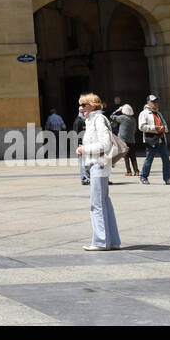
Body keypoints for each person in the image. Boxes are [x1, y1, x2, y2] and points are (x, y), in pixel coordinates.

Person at [77, 93, 121, 251]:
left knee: (96, 204)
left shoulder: (98, 119)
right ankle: (113, 241)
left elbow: (105, 144)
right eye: (80, 105)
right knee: (104, 203)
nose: (81, 108)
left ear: (94, 105)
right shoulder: (91, 120)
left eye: (84, 105)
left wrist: (84, 149)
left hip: (99, 164)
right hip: (98, 164)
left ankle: (101, 241)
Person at [137, 95, 170, 185]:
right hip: (151, 140)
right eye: (153, 102)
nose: (155, 103)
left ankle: (168, 178)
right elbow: (141, 127)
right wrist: (155, 128)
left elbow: (165, 126)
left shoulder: (159, 113)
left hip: (161, 139)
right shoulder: (144, 113)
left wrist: (164, 128)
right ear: (148, 103)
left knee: (166, 160)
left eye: (156, 102)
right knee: (149, 159)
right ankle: (143, 176)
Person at [109, 103, 139, 177]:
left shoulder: (122, 118)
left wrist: (117, 110)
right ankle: (137, 171)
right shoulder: (133, 119)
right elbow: (135, 130)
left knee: (126, 157)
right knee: (133, 157)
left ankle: (129, 172)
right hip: (132, 140)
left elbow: (112, 116)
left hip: (123, 140)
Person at [72, 105, 89, 185]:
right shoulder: (78, 121)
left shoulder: (85, 120)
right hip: (81, 144)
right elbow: (76, 134)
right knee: (83, 163)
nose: (84, 113)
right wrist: (79, 143)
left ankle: (86, 177)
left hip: (86, 144)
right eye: (83, 112)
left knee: (86, 163)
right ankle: (84, 178)